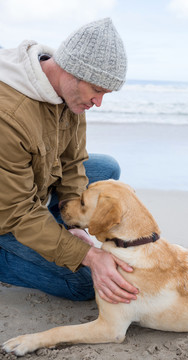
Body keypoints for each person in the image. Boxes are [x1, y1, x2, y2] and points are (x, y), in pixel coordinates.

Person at [0, 18, 138, 304]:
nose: (98, 102)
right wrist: (87, 255)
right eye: (97, 91)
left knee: (106, 169)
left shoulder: (69, 94)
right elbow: (18, 213)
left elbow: (73, 161)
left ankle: (52, 226)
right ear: (73, 72)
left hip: (34, 189)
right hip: (8, 215)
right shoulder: (8, 116)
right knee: (84, 284)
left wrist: (73, 220)